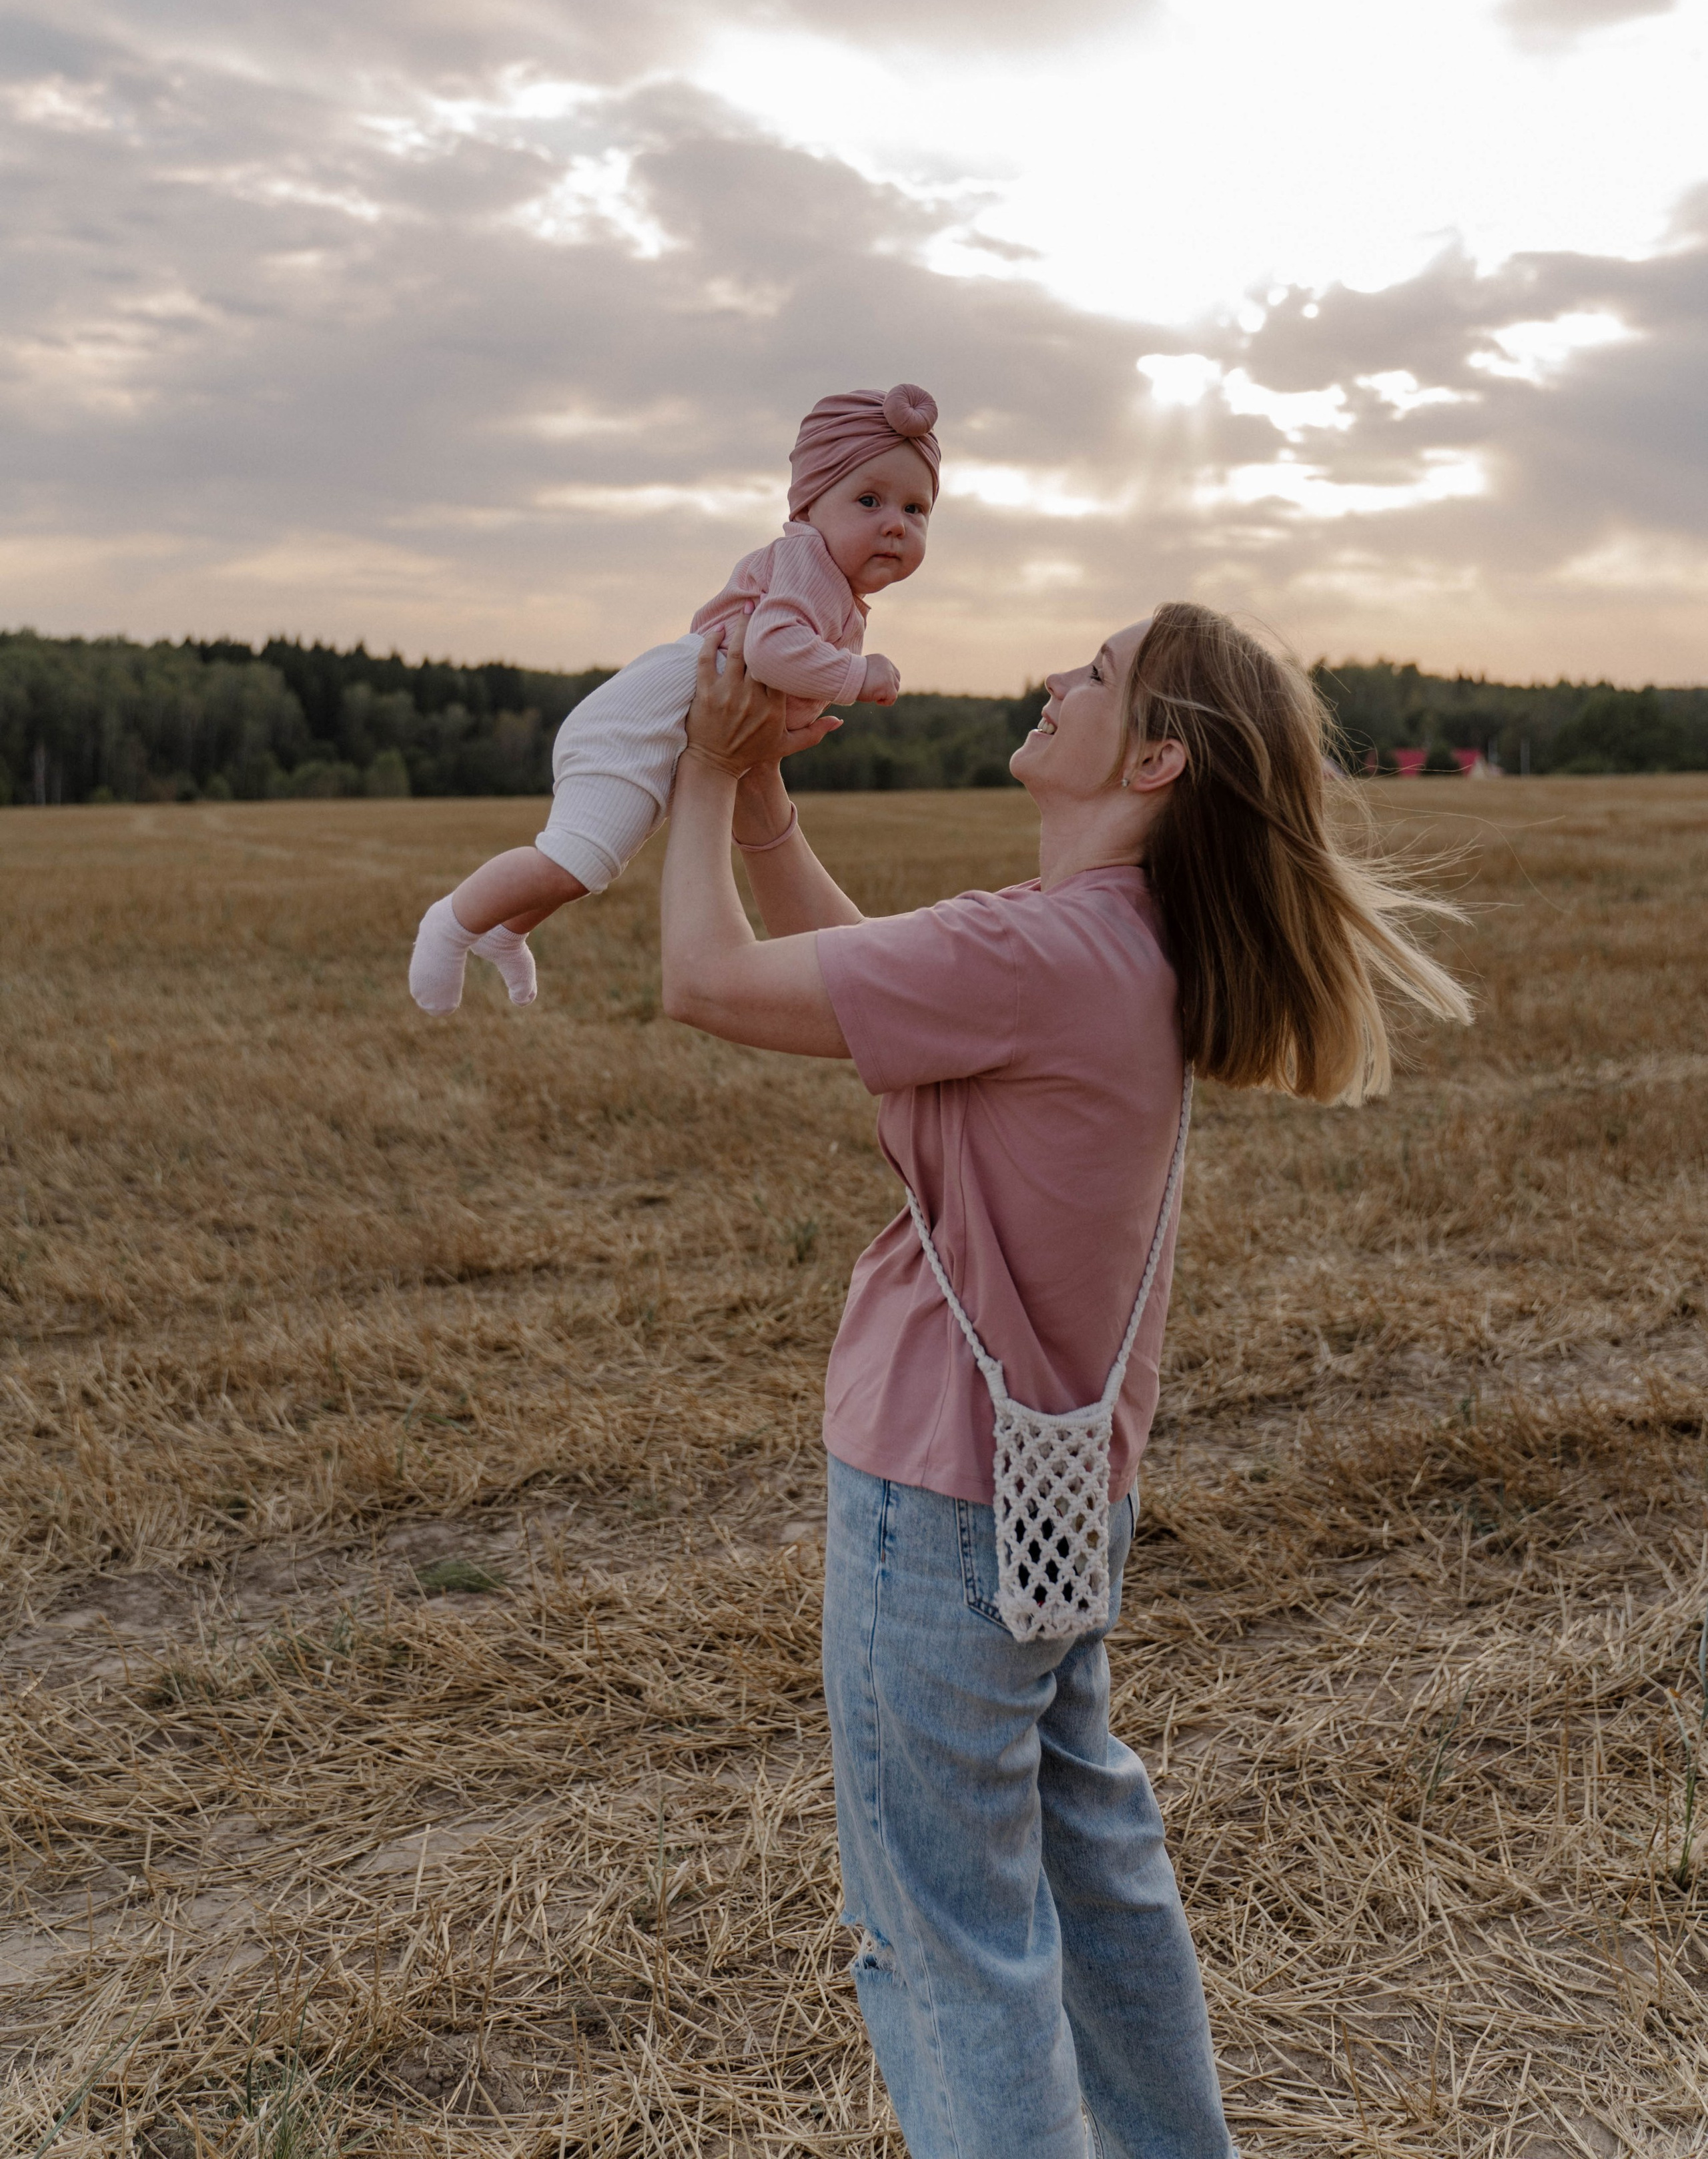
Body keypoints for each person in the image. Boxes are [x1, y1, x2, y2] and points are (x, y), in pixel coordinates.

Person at [657, 601, 1471, 2159]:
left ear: (1154, 755)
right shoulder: (1120, 945)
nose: (1052, 678)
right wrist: (764, 799)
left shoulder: (1037, 950)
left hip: (940, 1511)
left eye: (1091, 675)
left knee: (943, 1941)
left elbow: (706, 978)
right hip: (1050, 1513)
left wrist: (701, 768)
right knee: (1092, 1887)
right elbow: (873, 989)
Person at [407, 382, 939, 1014]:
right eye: (870, 500)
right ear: (807, 508)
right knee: (576, 858)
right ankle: (451, 923)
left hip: (669, 724)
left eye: (915, 510)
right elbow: (770, 650)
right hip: (642, 718)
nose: (894, 524)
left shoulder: (830, 583)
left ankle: (507, 930)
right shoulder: (807, 562)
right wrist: (858, 677)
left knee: (592, 861)